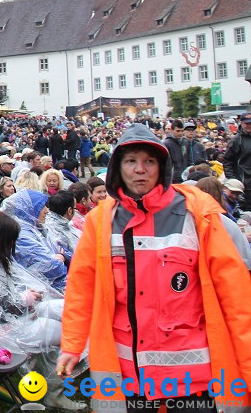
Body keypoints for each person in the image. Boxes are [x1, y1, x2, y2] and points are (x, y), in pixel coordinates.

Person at [58, 123, 251, 411]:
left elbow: (235, 297)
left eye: (149, 161)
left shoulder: (199, 216)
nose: (140, 169)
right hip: (128, 375)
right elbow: (81, 288)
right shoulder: (100, 224)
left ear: (162, 166)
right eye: (131, 161)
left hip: (193, 378)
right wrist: (72, 345)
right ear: (117, 168)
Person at [0, 212, 79, 411]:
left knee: (56, 311)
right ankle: (51, 392)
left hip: (1, 327)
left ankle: (42, 388)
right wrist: (25, 300)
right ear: (2, 237)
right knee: (62, 331)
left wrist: (26, 298)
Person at [1, 190, 68, 288]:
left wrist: (60, 257)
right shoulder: (22, 236)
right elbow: (52, 268)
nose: (47, 210)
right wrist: (60, 258)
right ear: (30, 209)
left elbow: (64, 253)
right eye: (42, 207)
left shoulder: (37, 229)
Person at [42, 190, 80, 257]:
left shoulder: (48, 222)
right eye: (75, 208)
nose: (76, 211)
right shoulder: (59, 233)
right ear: (70, 211)